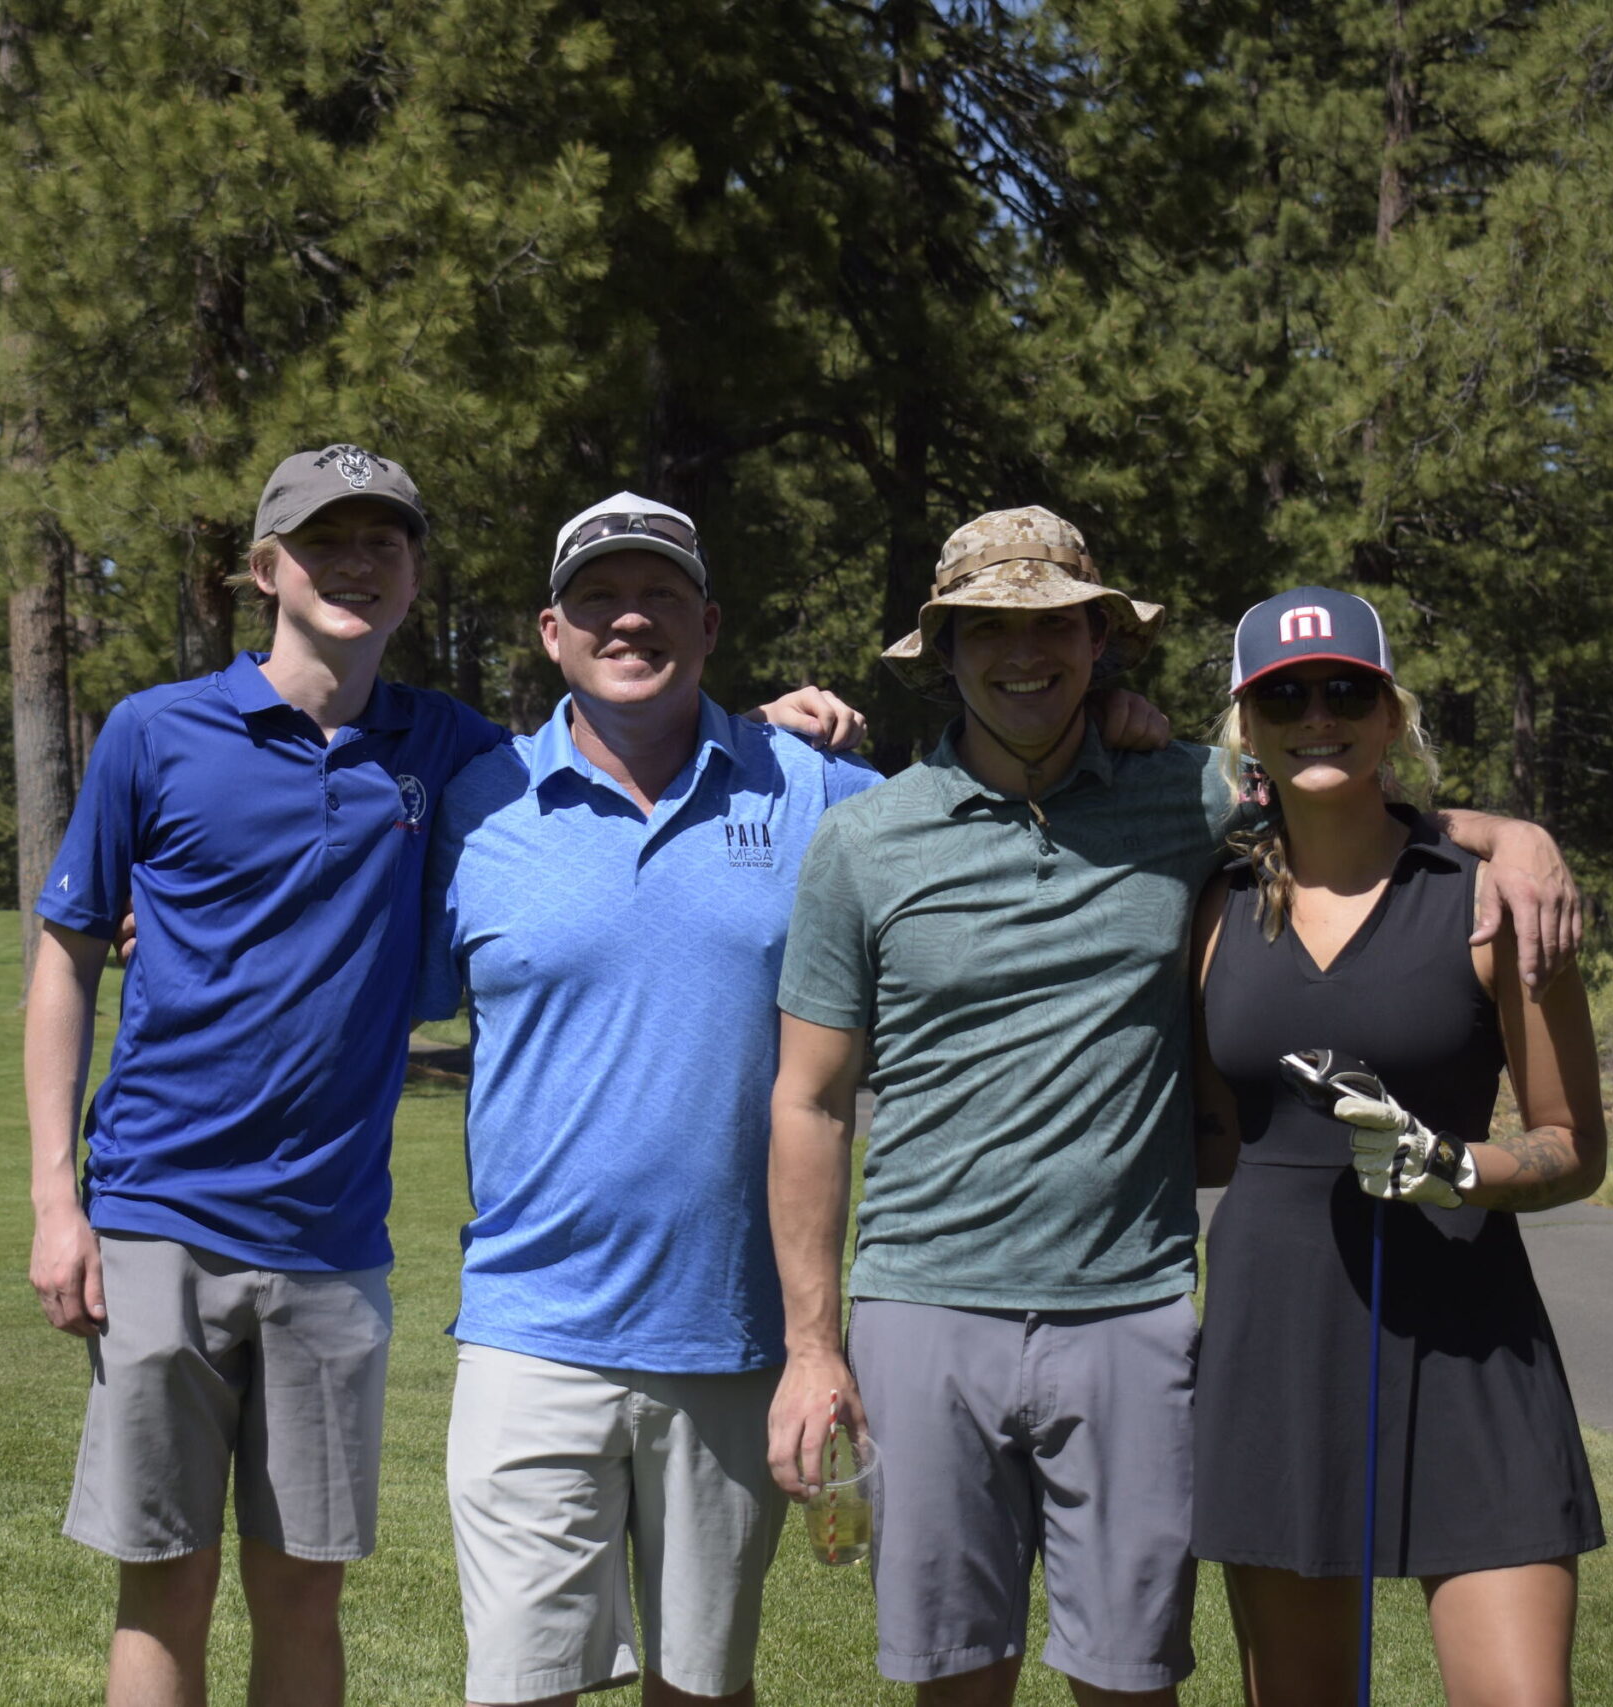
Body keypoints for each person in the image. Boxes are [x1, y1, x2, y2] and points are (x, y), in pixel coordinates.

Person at [25, 452, 853, 1707]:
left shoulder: (455, 756)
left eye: (384, 545)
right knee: (167, 1582)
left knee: (307, 1589)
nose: (354, 565)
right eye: (322, 542)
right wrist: (55, 1198)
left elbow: (911, 800)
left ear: (414, 578)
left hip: (335, 1245)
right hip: (166, 1218)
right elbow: (74, 951)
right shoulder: (188, 737)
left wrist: (777, 732)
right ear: (265, 571)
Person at [765, 509, 1582, 1707]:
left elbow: (1351, 811)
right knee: (953, 1683)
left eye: (1052, 624)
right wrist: (810, 1347)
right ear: (941, 650)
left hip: (1133, 1312)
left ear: (1102, 642)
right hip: (922, 1306)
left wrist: (1517, 837)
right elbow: (811, 1101)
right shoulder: (862, 841)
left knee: (1133, 1678)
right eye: (986, 627)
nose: (1020, 653)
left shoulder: (1190, 800)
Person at [416, 493, 1169, 1707]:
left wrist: (1114, 717)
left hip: (731, 1331)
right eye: (600, 599)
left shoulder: (817, 792)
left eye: (660, 595)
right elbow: (349, 966)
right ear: (549, 633)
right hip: (527, 1324)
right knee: (519, 1688)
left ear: (707, 625)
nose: (630, 620)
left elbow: (976, 810)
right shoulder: (477, 804)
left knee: (703, 1685)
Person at [1187, 586, 1606, 1707]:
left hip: (1471, 1333)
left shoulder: (1495, 899)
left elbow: (1573, 1148)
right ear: (1248, 728)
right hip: (1273, 1332)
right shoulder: (1210, 903)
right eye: (1283, 695)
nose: (1314, 714)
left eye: (1343, 691)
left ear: (1389, 716)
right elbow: (1205, 1141)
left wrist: (1459, 1169)